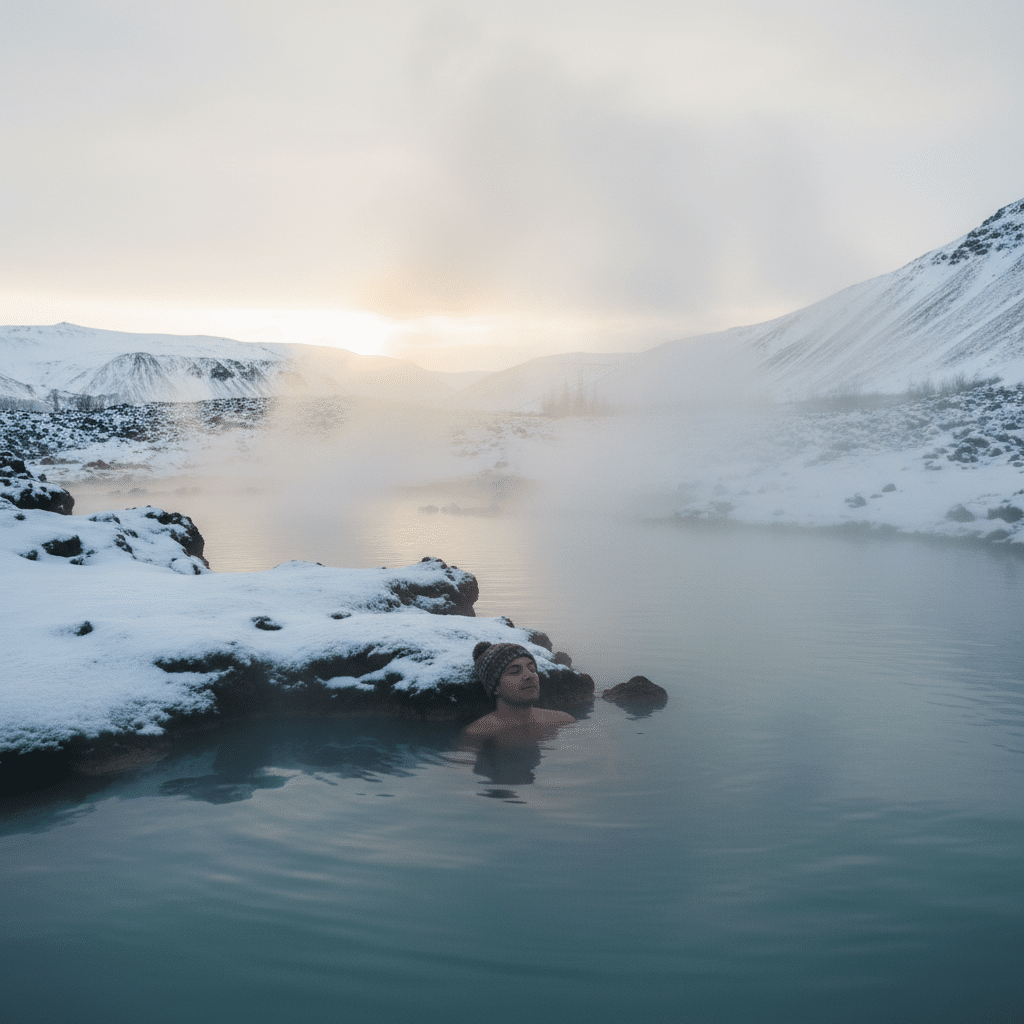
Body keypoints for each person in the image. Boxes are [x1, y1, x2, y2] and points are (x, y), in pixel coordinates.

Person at [462, 641, 575, 740]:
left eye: (532, 669)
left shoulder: (562, 720)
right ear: (496, 687)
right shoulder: (478, 733)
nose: (529, 676)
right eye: (514, 671)